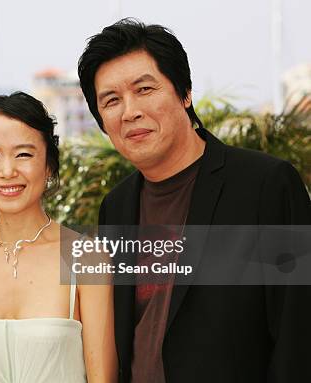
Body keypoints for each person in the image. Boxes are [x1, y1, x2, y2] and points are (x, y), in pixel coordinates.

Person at [78, 18, 311, 383]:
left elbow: (299, 336)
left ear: (185, 92)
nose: (129, 111)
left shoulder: (266, 185)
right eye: (111, 100)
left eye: (144, 89)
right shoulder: (116, 205)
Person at [0, 92, 118, 382]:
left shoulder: (87, 257)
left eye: (23, 154)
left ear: (48, 165)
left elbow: (103, 378)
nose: (7, 171)